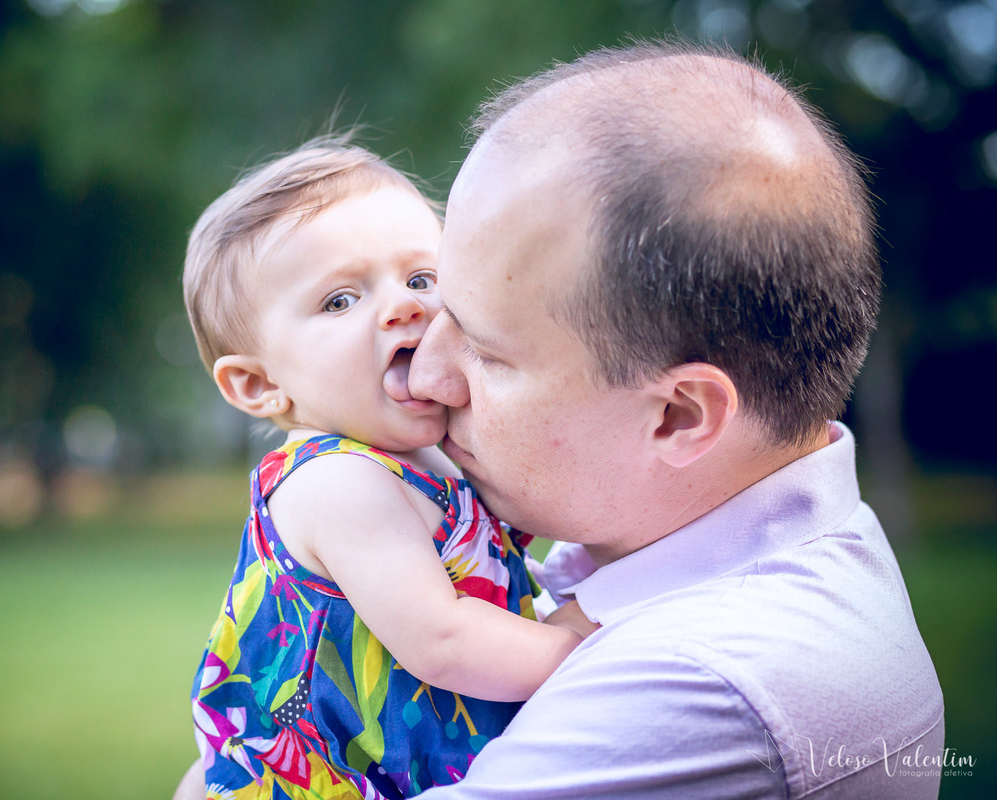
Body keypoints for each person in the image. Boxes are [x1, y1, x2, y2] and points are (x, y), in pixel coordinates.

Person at [403, 41, 946, 798]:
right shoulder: (669, 560)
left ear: (679, 416)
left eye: (488, 353)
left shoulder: (701, 684)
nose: (425, 375)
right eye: (434, 296)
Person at [181, 137, 584, 800]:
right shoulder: (336, 483)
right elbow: (443, 639)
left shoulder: (428, 457)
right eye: (340, 301)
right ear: (259, 385)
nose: (404, 305)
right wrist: (581, 645)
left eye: (421, 278)